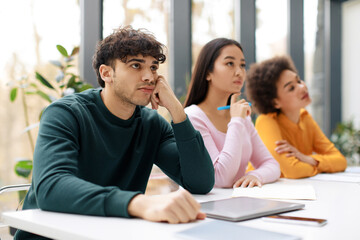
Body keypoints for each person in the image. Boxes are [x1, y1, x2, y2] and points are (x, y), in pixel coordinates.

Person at [15, 26, 215, 239]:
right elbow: (52, 188)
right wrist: (137, 203)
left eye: (154, 67)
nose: (149, 77)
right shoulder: (65, 113)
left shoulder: (152, 124)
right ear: (106, 73)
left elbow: (200, 183)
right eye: (136, 65)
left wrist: (176, 110)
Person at [184, 38, 280, 188]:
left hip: (240, 204)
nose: (239, 72)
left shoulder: (240, 116)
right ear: (208, 73)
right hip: (210, 208)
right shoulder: (192, 117)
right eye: (230, 63)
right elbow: (220, 178)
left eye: (242, 65)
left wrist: (255, 175)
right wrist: (236, 121)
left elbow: (271, 164)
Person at [245, 56, 347, 179]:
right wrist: (319, 165)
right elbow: (293, 171)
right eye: (291, 88)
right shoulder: (266, 121)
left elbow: (340, 161)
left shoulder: (305, 117)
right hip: (261, 191)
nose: (302, 87)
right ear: (275, 102)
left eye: (298, 81)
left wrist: (308, 159)